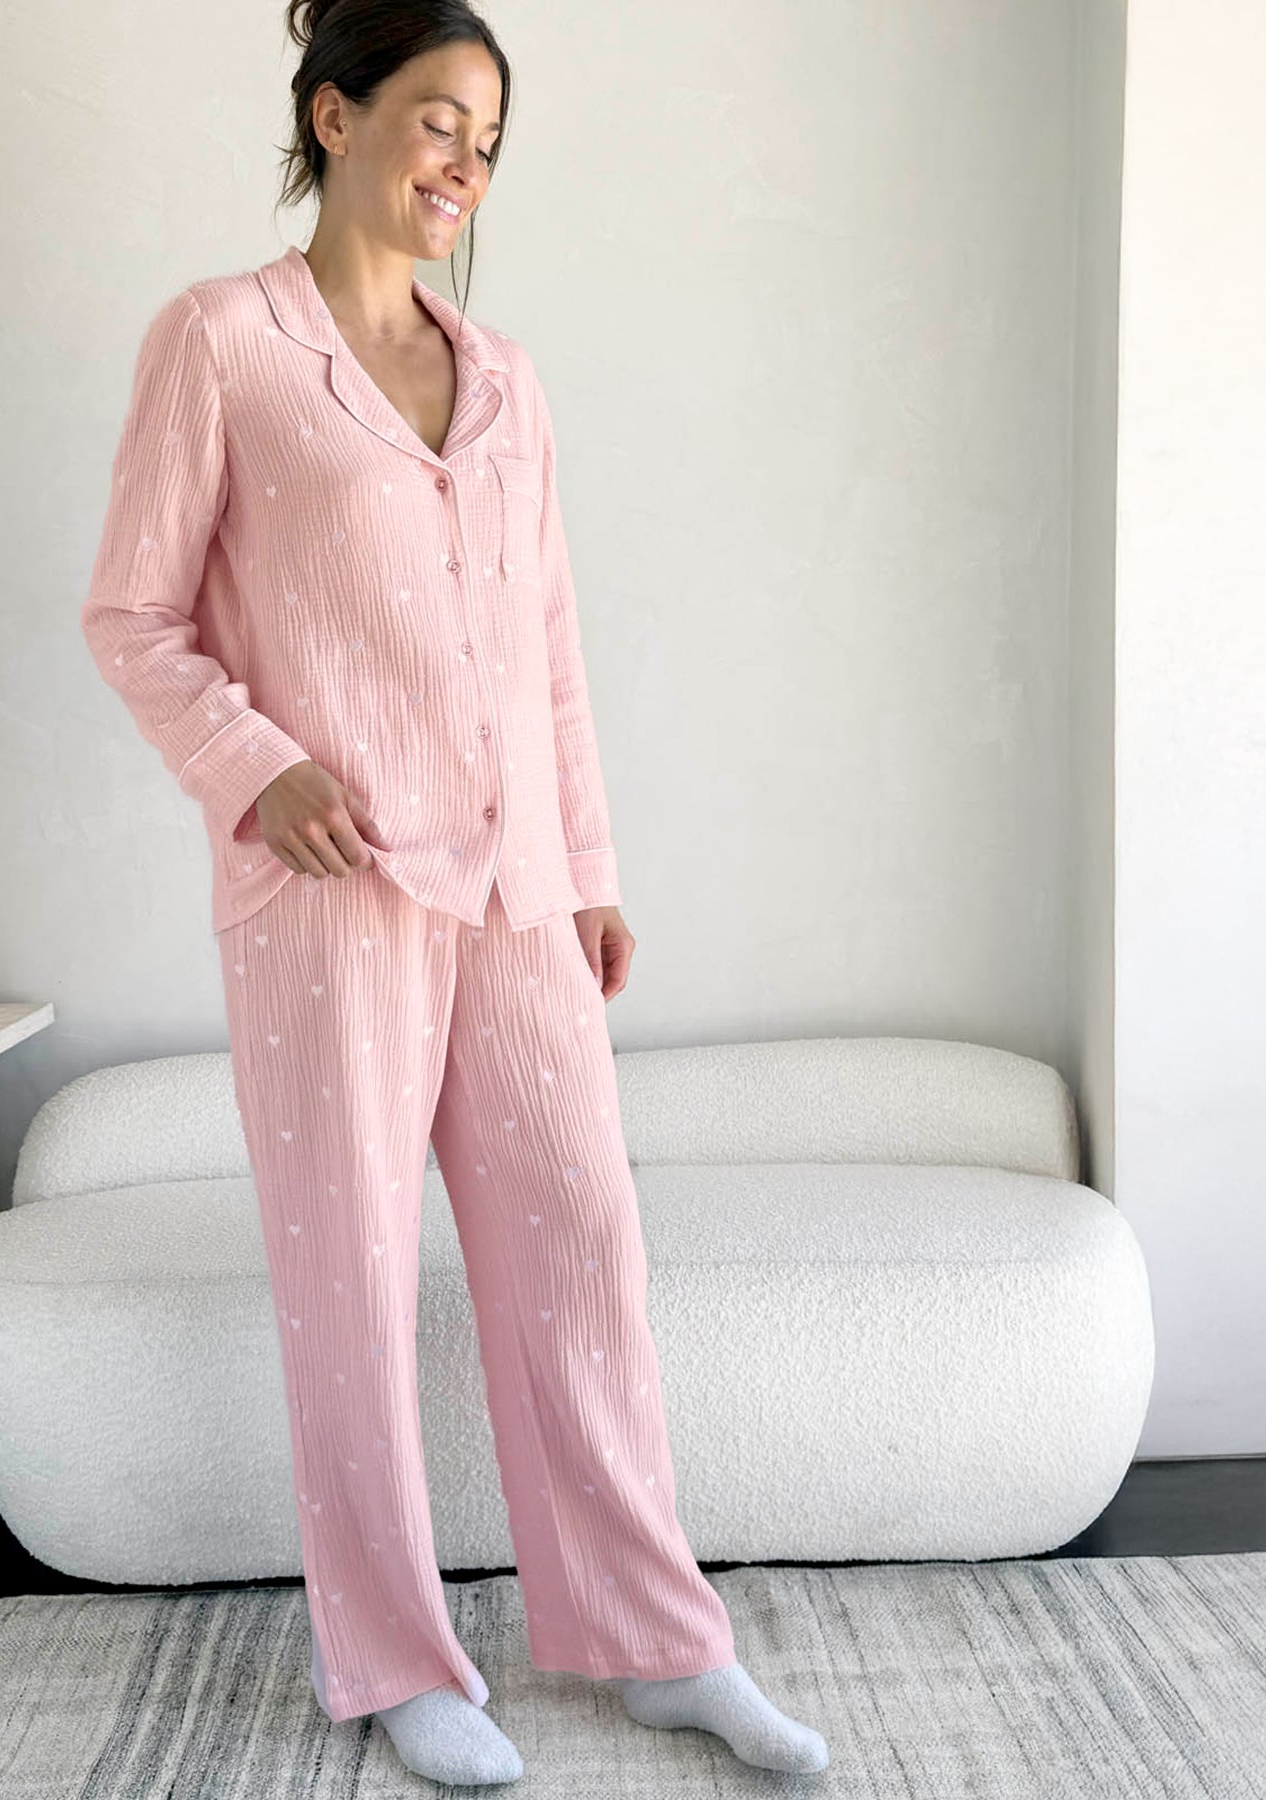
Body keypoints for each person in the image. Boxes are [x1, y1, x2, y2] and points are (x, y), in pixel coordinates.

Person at [81, 0, 830, 1784]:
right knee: (344, 1275)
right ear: (332, 117)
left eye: (487, 141)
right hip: (330, 898)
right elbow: (132, 616)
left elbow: (546, 652)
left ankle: (651, 1633)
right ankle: (396, 1659)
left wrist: (588, 871)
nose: (462, 167)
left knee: (582, 1247)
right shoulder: (219, 344)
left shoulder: (505, 381)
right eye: (432, 120)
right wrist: (264, 770)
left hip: (514, 899)